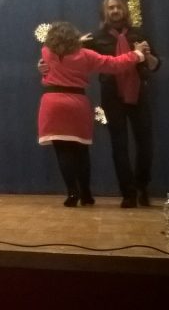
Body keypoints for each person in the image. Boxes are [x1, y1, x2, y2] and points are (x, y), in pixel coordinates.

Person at [38, 21, 147, 207]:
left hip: (52, 103)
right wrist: (137, 54)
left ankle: (72, 193)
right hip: (77, 103)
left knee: (62, 151)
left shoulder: (46, 52)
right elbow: (114, 64)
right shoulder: (85, 55)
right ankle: (86, 194)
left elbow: (48, 64)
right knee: (81, 151)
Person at [83, 0, 161, 208]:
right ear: (105, 12)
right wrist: (45, 63)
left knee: (145, 144)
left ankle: (142, 187)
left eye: (118, 7)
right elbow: (74, 56)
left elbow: (155, 65)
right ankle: (128, 193)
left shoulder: (139, 34)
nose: (115, 11)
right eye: (111, 8)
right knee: (119, 145)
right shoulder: (96, 38)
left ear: (124, 10)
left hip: (139, 94)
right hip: (112, 96)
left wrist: (147, 55)